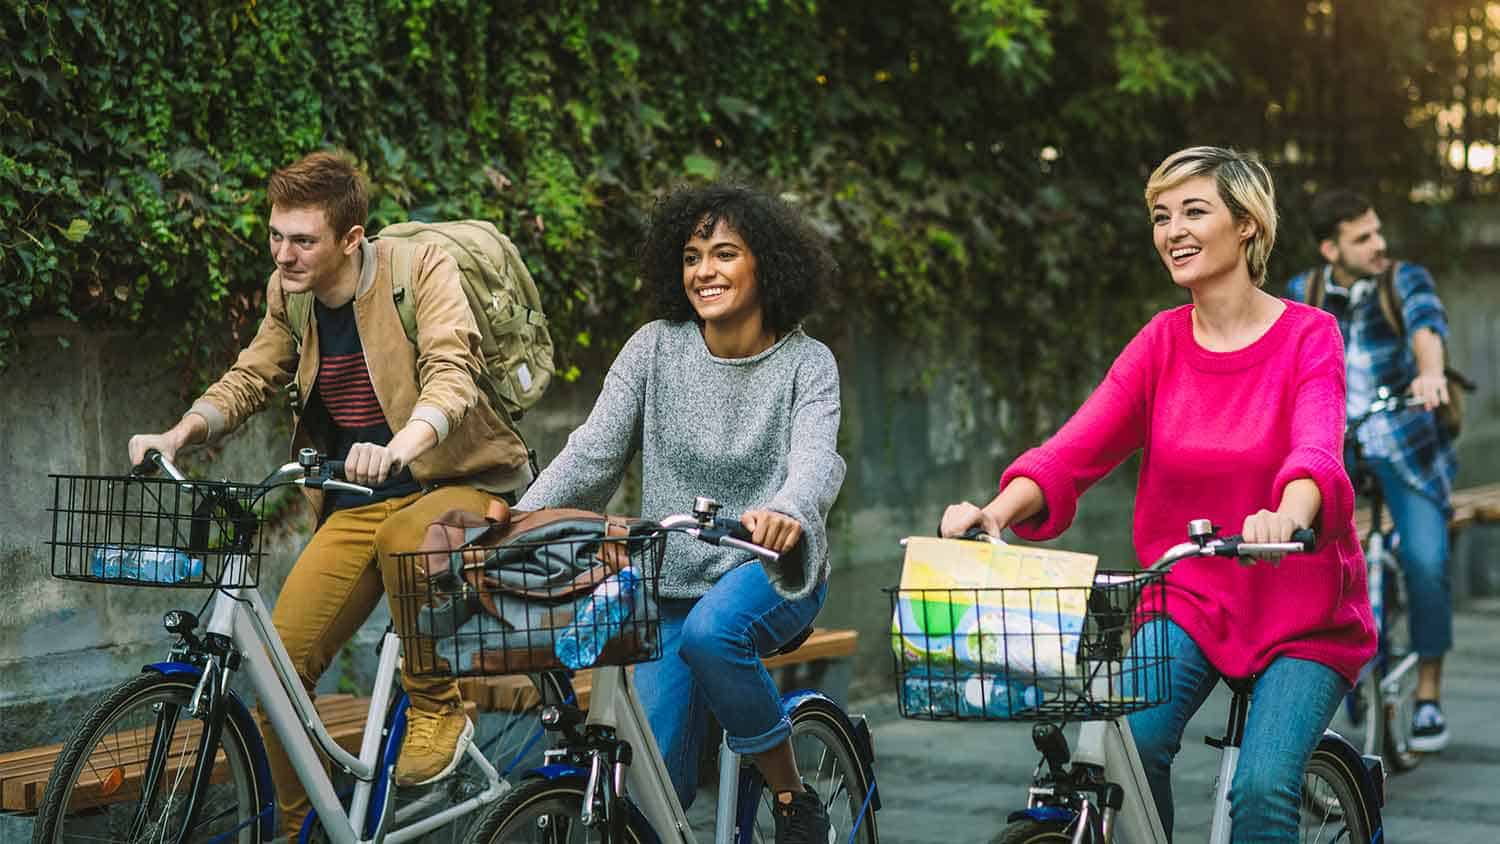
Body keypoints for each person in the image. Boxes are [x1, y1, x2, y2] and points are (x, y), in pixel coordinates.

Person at [941, 147, 1375, 842]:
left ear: (1246, 226)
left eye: (1193, 211)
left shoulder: (1307, 334)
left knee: (1263, 791)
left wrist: (1286, 517)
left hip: (1302, 605)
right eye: (1160, 215)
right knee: (1126, 758)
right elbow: (1073, 448)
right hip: (1192, 595)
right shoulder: (1162, 342)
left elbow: (1316, 446)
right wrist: (994, 512)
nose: (1172, 229)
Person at [125, 151, 534, 838]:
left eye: (303, 240)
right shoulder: (290, 291)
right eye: (276, 236)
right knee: (283, 678)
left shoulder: (419, 269)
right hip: (356, 499)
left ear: (351, 238)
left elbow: (452, 374)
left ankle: (438, 709)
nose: (284, 255)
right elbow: (254, 373)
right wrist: (180, 431)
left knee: (408, 539)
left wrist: (402, 445)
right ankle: (302, 831)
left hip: (455, 479)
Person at [514, 183, 845, 843]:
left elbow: (814, 461)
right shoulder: (653, 348)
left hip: (771, 567)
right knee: (649, 785)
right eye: (692, 256)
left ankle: (791, 796)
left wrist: (784, 511)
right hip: (667, 577)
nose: (704, 272)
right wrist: (513, 521)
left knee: (712, 635)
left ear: (767, 265)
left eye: (724, 254)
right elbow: (593, 456)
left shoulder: (808, 364)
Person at [1287, 189, 1457, 752]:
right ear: (1330, 247)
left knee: (1426, 561)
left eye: (1378, 231)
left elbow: (1426, 328)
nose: (1379, 245)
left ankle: (1428, 695)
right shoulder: (1304, 293)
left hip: (1408, 447)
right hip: (1340, 451)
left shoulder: (1402, 280)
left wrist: (1430, 375)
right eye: (1363, 238)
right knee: (1311, 563)